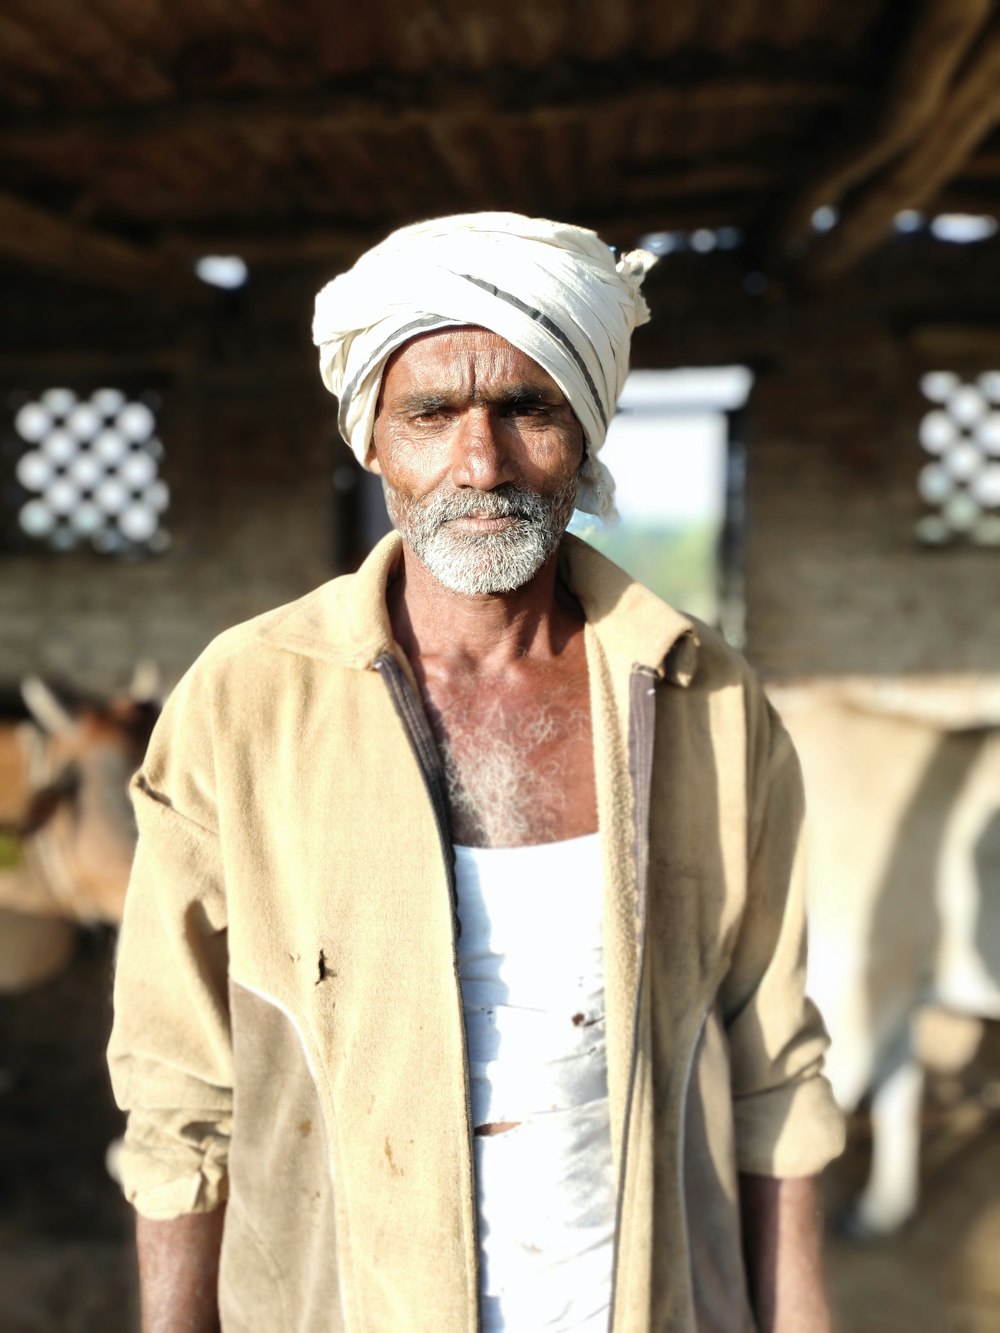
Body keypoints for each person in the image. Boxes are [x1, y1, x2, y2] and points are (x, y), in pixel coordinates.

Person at [108, 213, 844, 1333]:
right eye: (432, 412)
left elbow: (774, 1072)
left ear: (585, 426)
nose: (481, 463)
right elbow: (179, 1093)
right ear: (371, 440)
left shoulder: (707, 701)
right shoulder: (247, 704)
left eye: (527, 408)